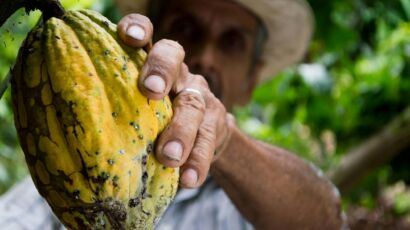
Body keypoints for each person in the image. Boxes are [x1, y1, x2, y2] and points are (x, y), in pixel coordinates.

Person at [0, 0, 346, 229]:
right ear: (140, 40)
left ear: (251, 80)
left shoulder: (251, 202)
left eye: (231, 42)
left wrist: (222, 142)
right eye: (186, 28)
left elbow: (325, 218)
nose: (206, 57)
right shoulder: (64, 173)